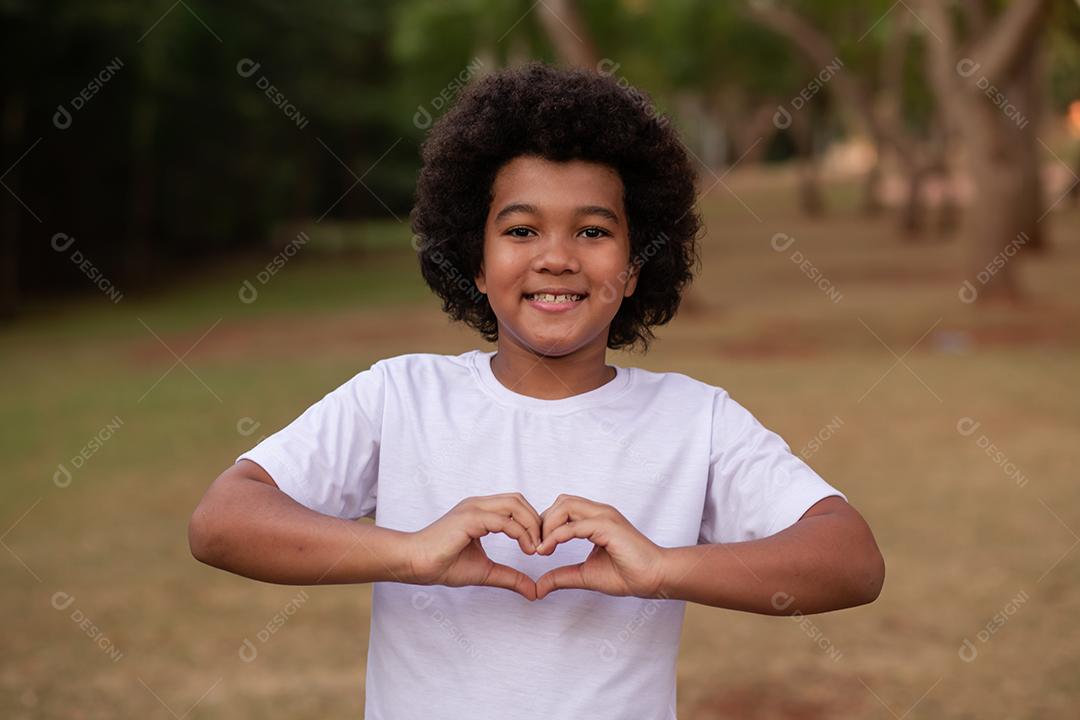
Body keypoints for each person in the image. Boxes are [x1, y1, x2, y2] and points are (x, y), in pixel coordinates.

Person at [188, 61, 885, 719]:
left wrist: (662, 566)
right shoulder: (399, 397)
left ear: (635, 266)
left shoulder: (693, 419)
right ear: (476, 262)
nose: (556, 257)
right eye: (521, 230)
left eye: (593, 230)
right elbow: (222, 522)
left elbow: (852, 561)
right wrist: (411, 552)